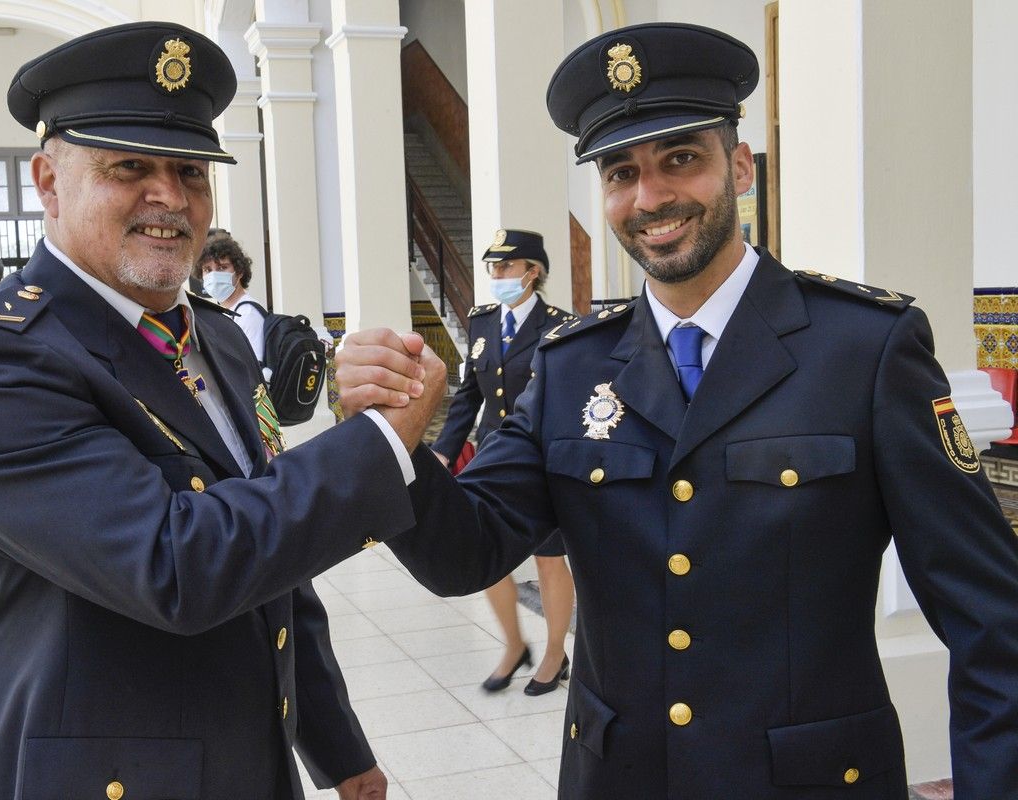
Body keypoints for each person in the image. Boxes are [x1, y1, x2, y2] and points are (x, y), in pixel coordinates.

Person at [336, 22, 1018, 798]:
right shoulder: (571, 366)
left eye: (680, 159)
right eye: (620, 173)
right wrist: (392, 442)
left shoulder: (863, 350)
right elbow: (465, 554)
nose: (649, 197)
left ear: (740, 166)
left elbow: (992, 620)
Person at [0, 21, 443, 800]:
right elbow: (176, 564)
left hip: (244, 764)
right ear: (49, 183)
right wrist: (377, 443)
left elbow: (275, 575)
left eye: (191, 171)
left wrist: (339, 749)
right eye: (129, 167)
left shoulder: (217, 338)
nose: (169, 197)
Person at [430, 229, 577, 695]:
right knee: (490, 559)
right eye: (492, 268)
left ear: (533, 272)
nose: (496, 276)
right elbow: (469, 396)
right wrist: (442, 452)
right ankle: (514, 645)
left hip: (543, 458)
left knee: (550, 560)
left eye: (505, 268)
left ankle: (555, 653)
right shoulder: (482, 322)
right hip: (494, 454)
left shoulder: (561, 326)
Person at [196, 234, 266, 363]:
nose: (214, 275)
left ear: (239, 272)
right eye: (207, 269)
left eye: (222, 268)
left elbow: (255, 368)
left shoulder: (248, 314)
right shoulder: (221, 311)